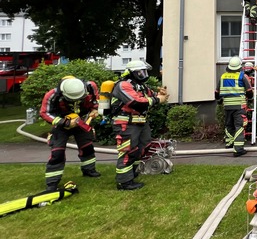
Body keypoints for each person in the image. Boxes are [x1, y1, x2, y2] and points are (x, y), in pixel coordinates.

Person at [112, 60, 169, 190]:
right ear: (132, 73)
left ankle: (132, 172)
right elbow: (136, 103)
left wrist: (160, 94)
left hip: (140, 123)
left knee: (142, 147)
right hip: (126, 124)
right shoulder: (123, 85)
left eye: (144, 72)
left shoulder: (141, 86)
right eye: (140, 72)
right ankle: (124, 182)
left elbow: (152, 96)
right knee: (128, 151)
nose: (143, 74)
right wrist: (157, 99)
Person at [40, 76, 101, 191]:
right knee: (57, 152)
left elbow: (95, 101)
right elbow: (44, 113)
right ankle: (52, 182)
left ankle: (89, 170)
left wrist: (95, 109)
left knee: (87, 146)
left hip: (82, 122)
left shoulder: (90, 87)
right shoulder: (52, 95)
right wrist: (65, 122)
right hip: (61, 125)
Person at [216, 56, 251, 157]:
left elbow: (217, 92)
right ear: (240, 67)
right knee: (240, 126)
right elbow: (249, 92)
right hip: (239, 106)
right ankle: (238, 149)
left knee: (229, 125)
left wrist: (219, 101)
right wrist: (250, 98)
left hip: (227, 106)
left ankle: (229, 143)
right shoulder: (242, 76)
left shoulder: (223, 77)